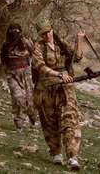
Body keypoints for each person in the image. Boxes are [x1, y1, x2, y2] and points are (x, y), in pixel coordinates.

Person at [31, 19, 85, 171]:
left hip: (65, 90)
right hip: (46, 89)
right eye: (44, 33)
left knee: (70, 120)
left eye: (49, 31)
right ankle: (55, 153)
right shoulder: (38, 48)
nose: (48, 35)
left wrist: (80, 40)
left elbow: (77, 58)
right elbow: (40, 66)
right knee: (50, 123)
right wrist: (58, 74)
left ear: (52, 29)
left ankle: (72, 157)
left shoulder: (61, 44)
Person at [0, 22, 37, 130]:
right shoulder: (5, 45)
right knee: (18, 98)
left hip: (26, 74)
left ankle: (33, 119)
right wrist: (8, 72)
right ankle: (19, 121)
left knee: (30, 99)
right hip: (13, 75)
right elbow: (3, 60)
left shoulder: (25, 42)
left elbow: (34, 53)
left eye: (17, 31)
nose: (14, 33)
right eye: (12, 31)